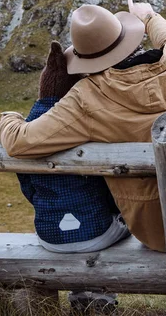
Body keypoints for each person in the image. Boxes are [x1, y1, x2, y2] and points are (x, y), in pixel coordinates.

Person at [0, 0, 166, 253]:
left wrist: (11, 116)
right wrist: (149, 17)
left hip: (161, 235)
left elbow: (19, 142)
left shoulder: (88, 96)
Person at [11, 40, 128, 312]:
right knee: (120, 225)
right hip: (97, 233)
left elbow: (27, 186)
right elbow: (109, 189)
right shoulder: (84, 122)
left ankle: (82, 295)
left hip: (48, 236)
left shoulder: (28, 128)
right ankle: (97, 299)